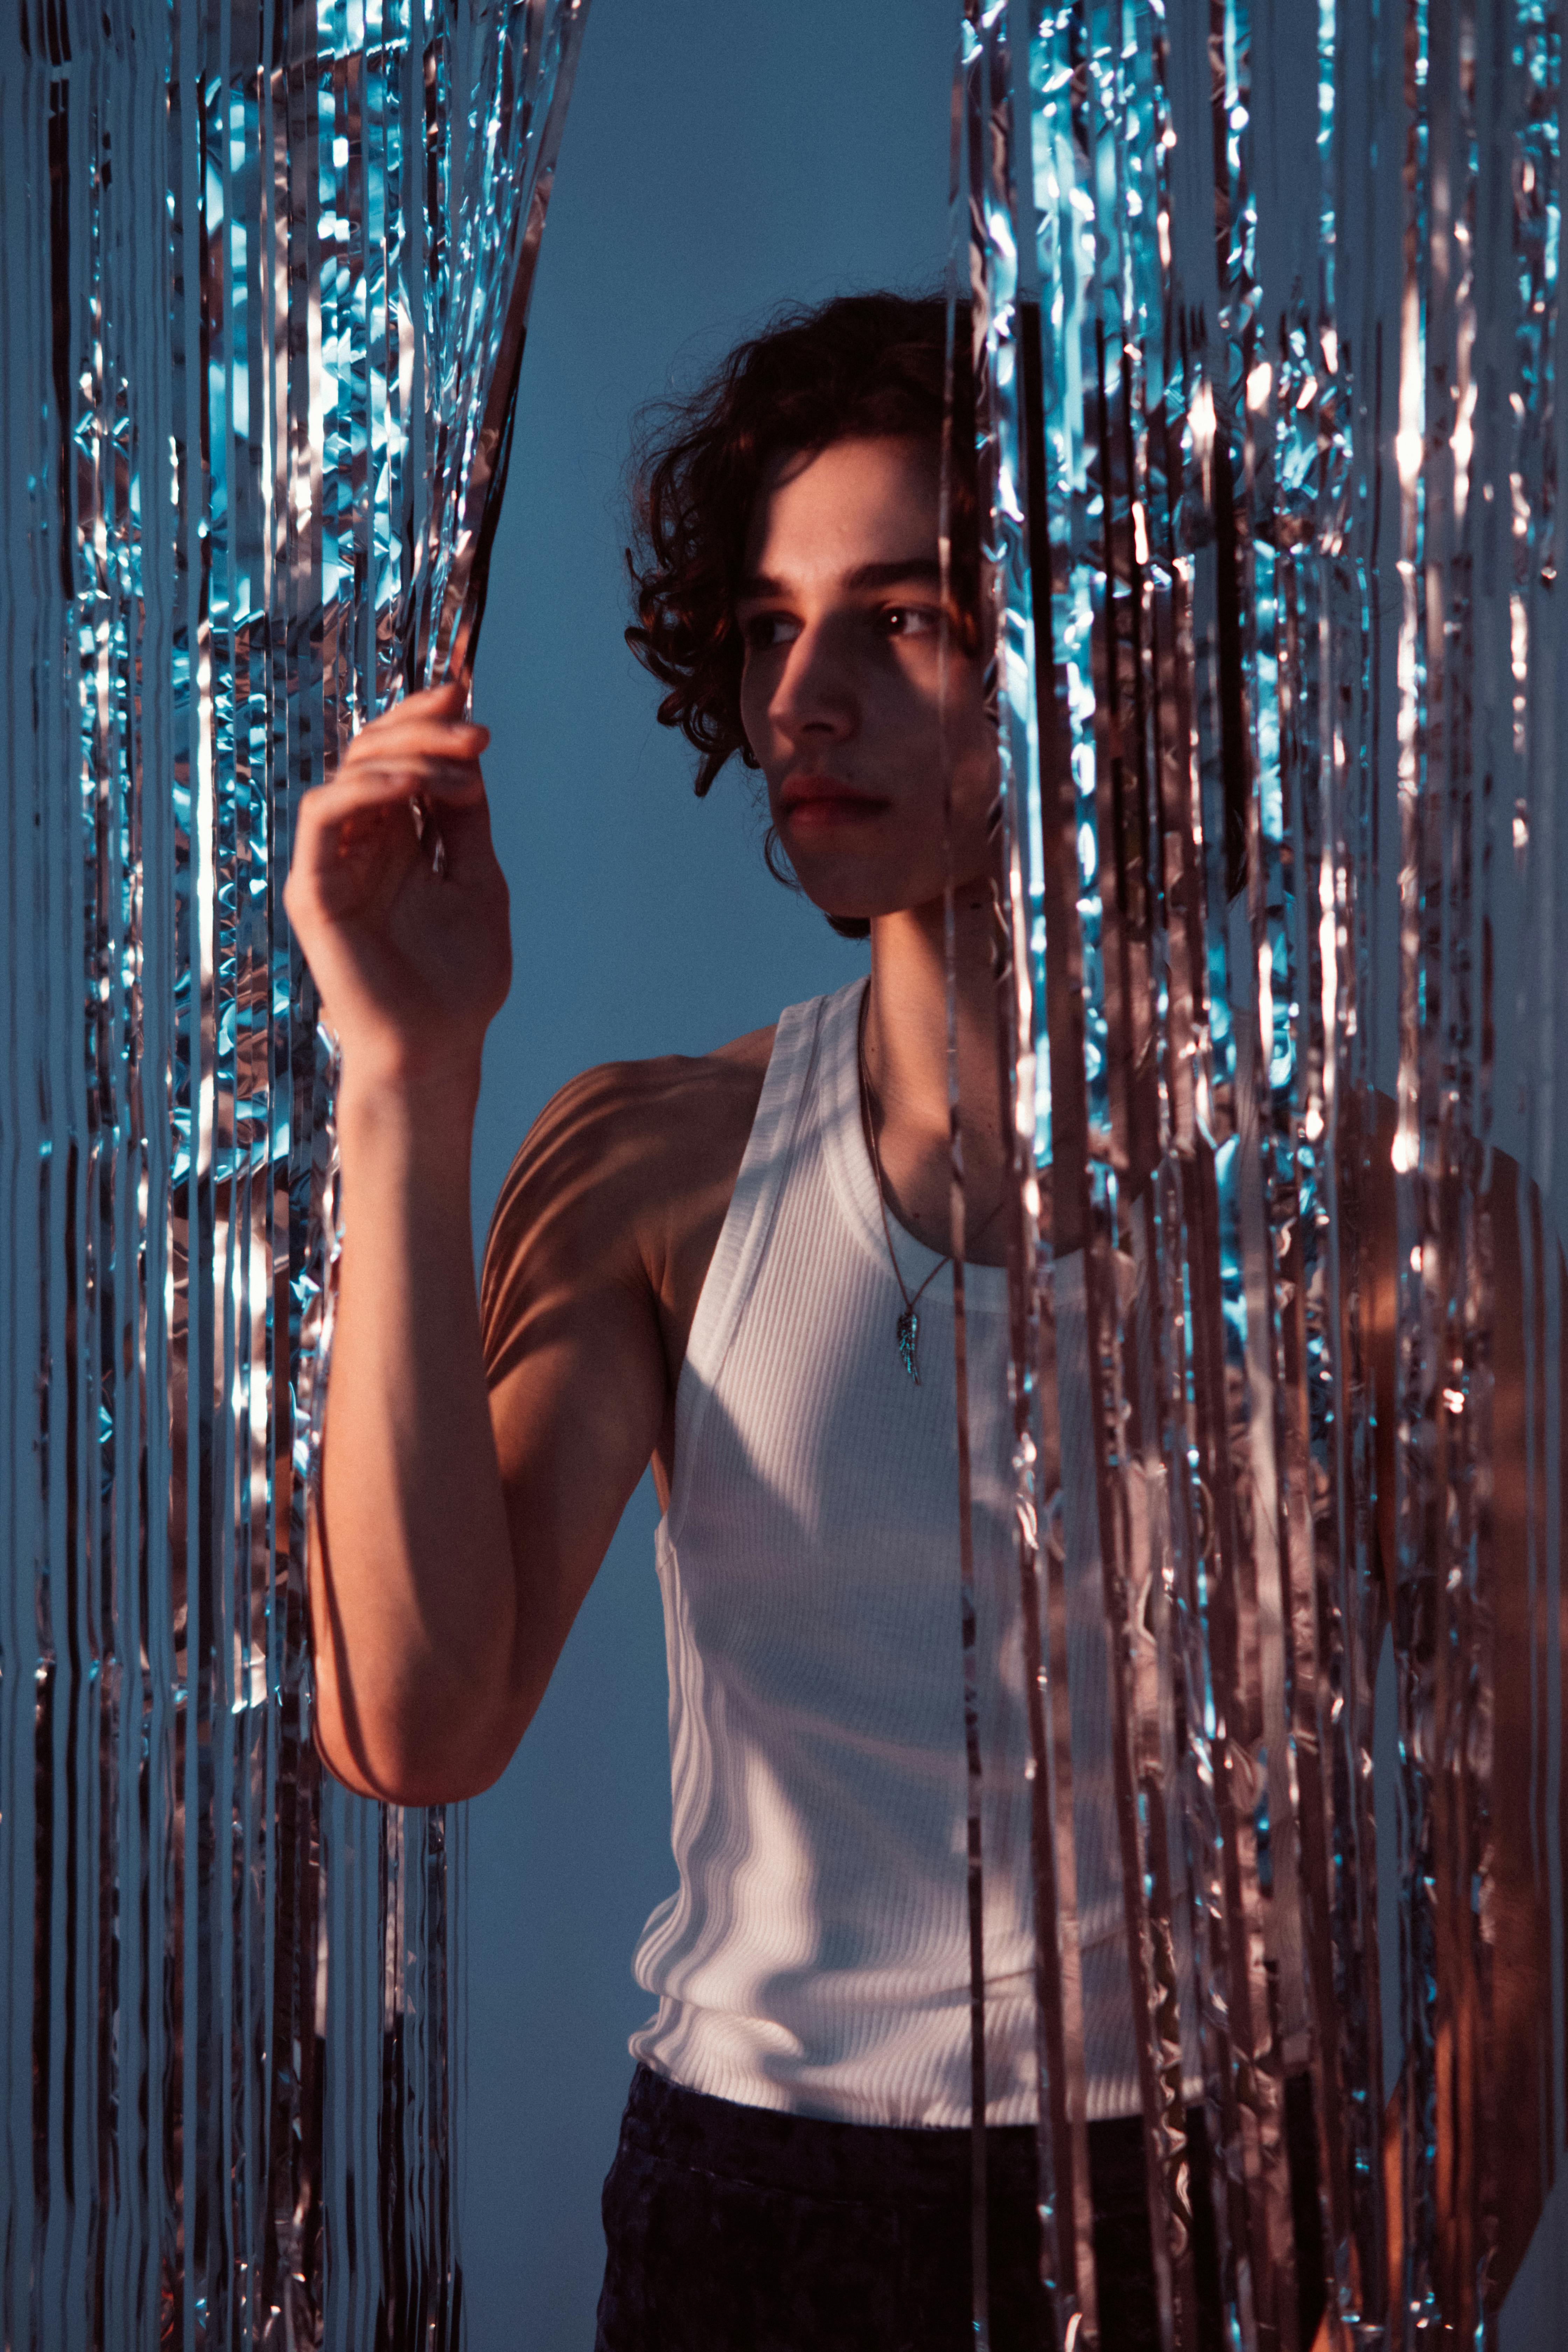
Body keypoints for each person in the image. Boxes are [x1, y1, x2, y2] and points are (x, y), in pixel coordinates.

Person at [293, 290, 1568, 2350]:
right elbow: (416, 1725)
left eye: (905, 617)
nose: (804, 697)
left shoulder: (1404, 1234)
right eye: (773, 624)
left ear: (1119, 656)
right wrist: (403, 1077)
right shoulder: (655, 1163)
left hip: (1226, 2215)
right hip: (754, 2219)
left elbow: (1514, 1926)